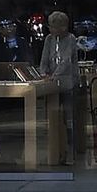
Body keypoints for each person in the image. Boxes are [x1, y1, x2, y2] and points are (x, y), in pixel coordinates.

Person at [39, 11, 78, 166]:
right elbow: (44, 58)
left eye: (54, 27)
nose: (51, 29)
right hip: (52, 86)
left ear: (63, 27)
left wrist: (54, 76)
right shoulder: (49, 39)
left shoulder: (71, 39)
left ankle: (70, 153)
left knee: (68, 119)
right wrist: (43, 73)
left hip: (67, 84)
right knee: (52, 118)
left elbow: (66, 61)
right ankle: (55, 152)